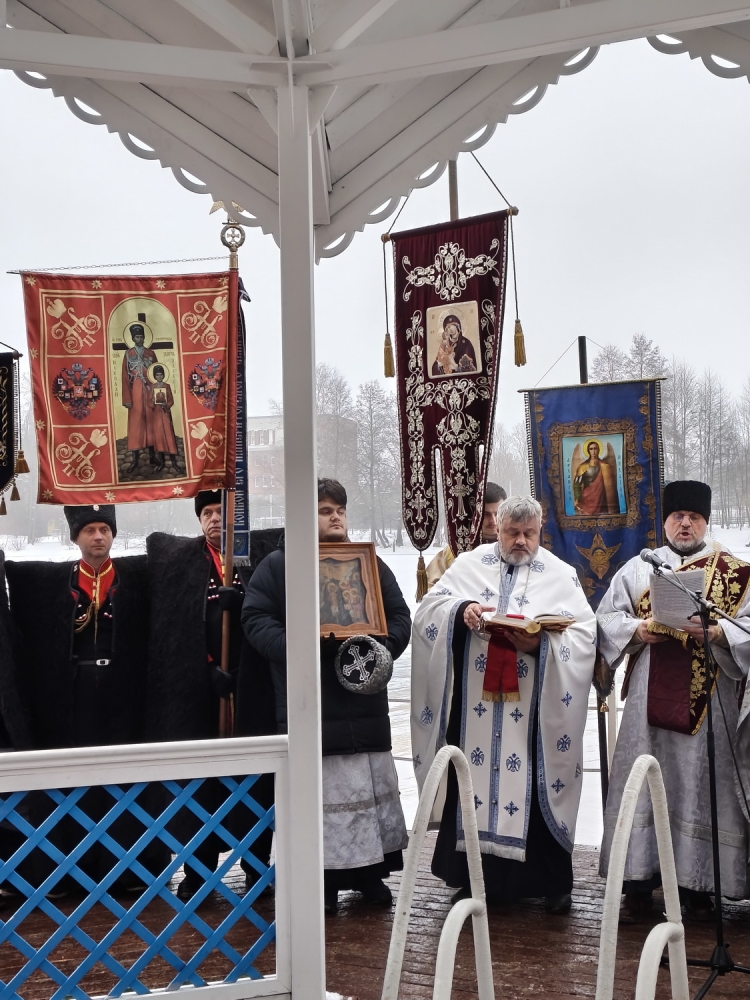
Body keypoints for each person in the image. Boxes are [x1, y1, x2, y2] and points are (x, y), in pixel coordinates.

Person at [412, 496, 596, 914]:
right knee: (472, 781)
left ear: (540, 530)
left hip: (534, 714)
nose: (521, 541)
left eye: (529, 533)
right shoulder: (469, 564)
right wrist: (462, 610)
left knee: (535, 782)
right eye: (513, 532)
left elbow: (585, 635)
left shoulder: (560, 574)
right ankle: (475, 880)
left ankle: (550, 882)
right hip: (475, 707)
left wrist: (540, 643)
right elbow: (428, 612)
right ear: (497, 527)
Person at [241, 478, 412, 914]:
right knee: (321, 799)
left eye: (340, 510)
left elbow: (398, 615)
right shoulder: (278, 566)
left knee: (367, 792)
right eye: (324, 510)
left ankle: (369, 875)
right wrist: (297, 648)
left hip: (363, 699)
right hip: (309, 700)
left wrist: (380, 647)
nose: (335, 517)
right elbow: (255, 618)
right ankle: (322, 883)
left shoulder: (367, 563)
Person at [597, 480, 750, 922]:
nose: (685, 524)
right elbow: (605, 619)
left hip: (711, 698)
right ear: (664, 521)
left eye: (694, 517)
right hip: (648, 696)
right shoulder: (638, 568)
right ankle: (637, 885)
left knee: (701, 783)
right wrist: (637, 630)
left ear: (706, 521)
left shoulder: (736, 573)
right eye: (677, 516)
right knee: (643, 780)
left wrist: (719, 632)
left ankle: (698, 888)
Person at [4, 505, 160, 892]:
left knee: (120, 778)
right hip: (73, 698)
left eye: (104, 529)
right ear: (76, 537)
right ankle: (69, 868)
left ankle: (123, 870)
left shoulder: (136, 579)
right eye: (89, 530)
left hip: (121, 696)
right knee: (73, 778)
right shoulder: (58, 584)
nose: (98, 536)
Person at [145, 491, 280, 900]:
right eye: (206, 512)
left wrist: (242, 668)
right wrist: (205, 668)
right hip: (199, 692)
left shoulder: (258, 559)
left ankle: (255, 866)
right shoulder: (183, 563)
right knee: (199, 783)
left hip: (252, 687)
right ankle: (198, 871)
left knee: (254, 779)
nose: (214, 519)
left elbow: (273, 616)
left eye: (221, 512)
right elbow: (173, 628)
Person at [426, 482, 506, 588]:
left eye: (498, 513)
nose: (493, 521)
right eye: (486, 514)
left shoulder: (514, 547)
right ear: (475, 514)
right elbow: (430, 589)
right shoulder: (455, 551)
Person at [122, 321, 158, 473]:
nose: (139, 339)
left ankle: (153, 456)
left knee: (151, 423)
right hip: (135, 391)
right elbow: (125, 377)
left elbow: (157, 373)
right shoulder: (128, 354)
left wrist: (159, 395)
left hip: (149, 391)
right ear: (133, 338)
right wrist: (127, 399)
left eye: (141, 336)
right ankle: (135, 459)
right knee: (136, 425)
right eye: (137, 337)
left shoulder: (150, 354)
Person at [572, 439, 619, 515]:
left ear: (598, 450)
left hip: (601, 498)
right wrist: (577, 499)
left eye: (595, 448)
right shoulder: (582, 467)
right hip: (587, 498)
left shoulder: (605, 465)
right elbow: (577, 484)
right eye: (591, 449)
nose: (593, 451)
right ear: (588, 451)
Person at [149, 364, 180, 472]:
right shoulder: (152, 387)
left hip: (165, 413)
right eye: (157, 375)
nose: (159, 376)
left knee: (169, 436)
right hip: (157, 415)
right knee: (159, 438)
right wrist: (153, 401)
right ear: (155, 376)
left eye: (161, 374)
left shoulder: (167, 386)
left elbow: (171, 399)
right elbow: (149, 402)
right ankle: (161, 462)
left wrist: (166, 404)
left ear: (163, 375)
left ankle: (174, 462)